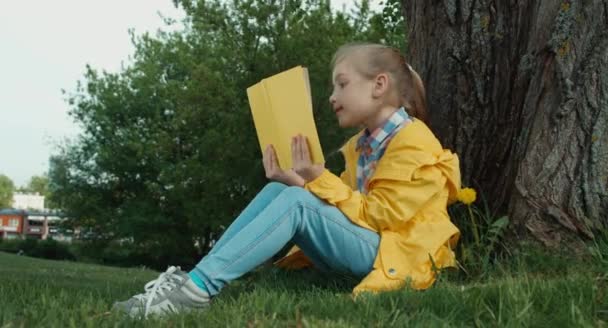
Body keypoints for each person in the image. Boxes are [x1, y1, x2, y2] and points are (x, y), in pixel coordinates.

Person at [113, 42, 461, 318]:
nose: (332, 97)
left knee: (297, 201)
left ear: (379, 85)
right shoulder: (363, 144)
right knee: (280, 189)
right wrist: (297, 178)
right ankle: (193, 281)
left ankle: (196, 291)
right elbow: (339, 208)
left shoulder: (414, 140)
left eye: (342, 84)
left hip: (396, 254)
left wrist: (319, 178)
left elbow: (381, 215)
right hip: (369, 244)